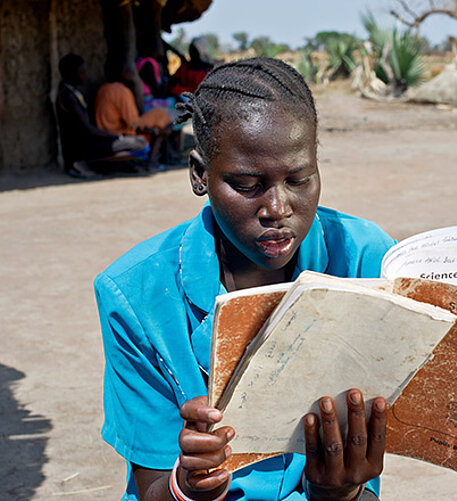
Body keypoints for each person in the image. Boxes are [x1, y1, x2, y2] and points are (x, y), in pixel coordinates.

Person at [94, 57, 396, 501]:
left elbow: (363, 488)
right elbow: (151, 486)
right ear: (200, 174)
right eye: (248, 184)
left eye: (299, 179)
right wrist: (189, 485)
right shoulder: (137, 294)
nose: (278, 207)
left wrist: (340, 492)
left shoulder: (364, 259)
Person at [55, 54, 148, 178]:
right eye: (81, 72)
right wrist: (115, 137)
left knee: (137, 143)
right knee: (141, 146)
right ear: (71, 74)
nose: (84, 75)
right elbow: (87, 128)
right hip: (84, 145)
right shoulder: (68, 96)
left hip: (90, 140)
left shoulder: (75, 93)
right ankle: (87, 163)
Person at [95, 63, 173, 170]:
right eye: (128, 71)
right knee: (153, 132)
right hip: (116, 135)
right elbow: (132, 123)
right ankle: (152, 161)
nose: (131, 74)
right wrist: (154, 130)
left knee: (159, 115)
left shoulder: (103, 89)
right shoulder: (122, 91)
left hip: (106, 133)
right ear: (122, 73)